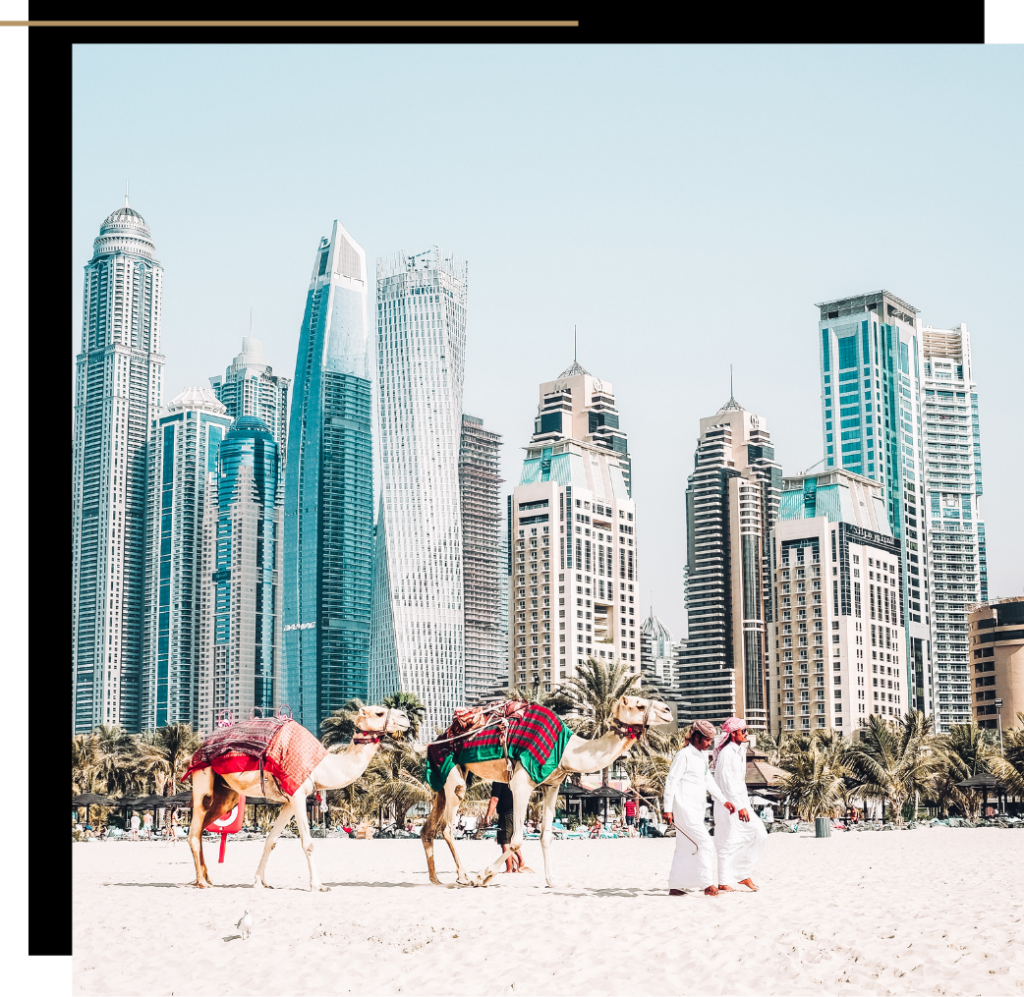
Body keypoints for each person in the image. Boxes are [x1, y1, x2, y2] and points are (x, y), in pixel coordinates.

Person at [662, 719, 734, 896]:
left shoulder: (701, 757)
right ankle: (708, 885)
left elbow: (708, 781)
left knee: (684, 847)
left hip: (696, 809)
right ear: (696, 737)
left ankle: (676, 886)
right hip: (684, 808)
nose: (709, 743)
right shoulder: (684, 755)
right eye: (707, 739)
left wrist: (724, 800)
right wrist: (667, 809)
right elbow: (671, 781)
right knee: (705, 844)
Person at [712, 717, 767, 892]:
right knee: (727, 841)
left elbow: (737, 782)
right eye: (743, 731)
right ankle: (723, 881)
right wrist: (738, 806)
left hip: (741, 802)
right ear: (734, 733)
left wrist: (743, 804)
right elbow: (726, 783)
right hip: (728, 804)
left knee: (759, 834)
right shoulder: (727, 753)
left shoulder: (739, 751)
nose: (746, 734)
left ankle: (742, 873)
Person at [486, 782, 531, 873]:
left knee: (505, 842)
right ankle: (517, 863)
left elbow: (494, 799)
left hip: (506, 812)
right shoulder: (511, 779)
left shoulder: (498, 781)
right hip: (515, 810)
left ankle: (510, 868)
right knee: (510, 840)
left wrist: (488, 815)